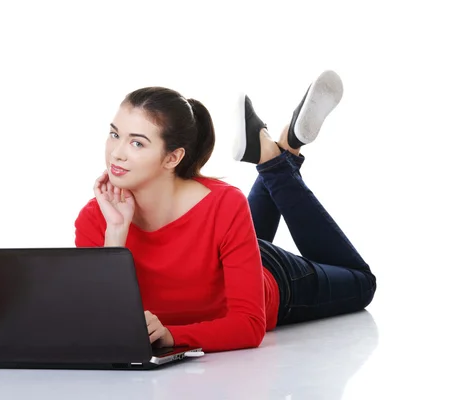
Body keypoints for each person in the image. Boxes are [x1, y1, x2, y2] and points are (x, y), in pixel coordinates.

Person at [74, 70, 377, 353]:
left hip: (271, 279)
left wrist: (173, 336)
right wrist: (115, 235)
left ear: (173, 157)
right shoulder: (96, 217)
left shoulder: (224, 204)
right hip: (223, 256)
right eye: (114, 134)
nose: (116, 152)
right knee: (227, 227)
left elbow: (250, 324)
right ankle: (280, 154)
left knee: (362, 283)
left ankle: (276, 163)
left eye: (137, 143)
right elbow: (100, 325)